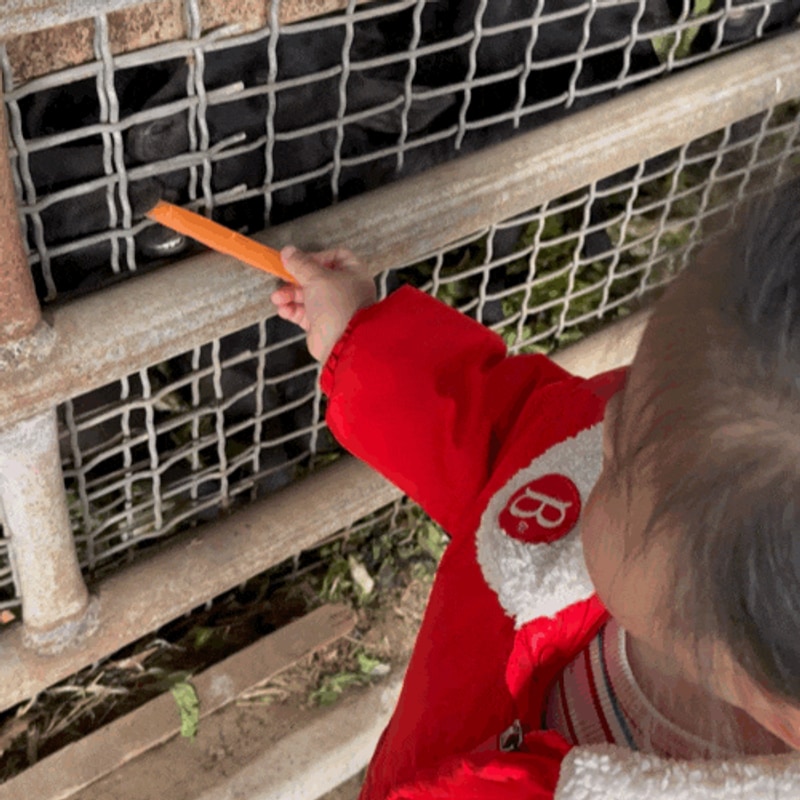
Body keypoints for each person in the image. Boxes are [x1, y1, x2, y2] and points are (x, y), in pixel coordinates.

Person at [270, 179, 800, 799]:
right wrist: (363, 337)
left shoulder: (697, 450)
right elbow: (515, 439)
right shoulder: (693, 447)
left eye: (619, 458)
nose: (604, 423)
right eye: (628, 389)